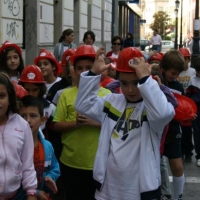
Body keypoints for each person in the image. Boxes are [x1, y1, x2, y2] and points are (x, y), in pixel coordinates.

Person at [75, 47, 175, 200]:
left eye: (136, 83)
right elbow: (83, 104)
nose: (130, 89)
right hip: (106, 190)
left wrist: (146, 80)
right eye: (124, 83)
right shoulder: (111, 101)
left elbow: (163, 114)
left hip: (139, 192)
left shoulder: (153, 108)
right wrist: (93, 74)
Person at [53, 45, 111, 200]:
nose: (84, 72)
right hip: (71, 162)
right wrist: (76, 123)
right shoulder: (65, 95)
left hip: (98, 163)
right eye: (80, 68)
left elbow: (114, 127)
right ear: (73, 71)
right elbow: (56, 125)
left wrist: (95, 122)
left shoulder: (108, 95)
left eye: (89, 67)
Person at [0, 72, 37, 200]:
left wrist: (31, 192)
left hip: (16, 195)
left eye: (2, 96)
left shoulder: (21, 125)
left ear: (10, 98)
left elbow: (27, 163)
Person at [18, 95, 60, 200]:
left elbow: (55, 168)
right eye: (22, 116)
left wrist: (50, 177)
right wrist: (35, 193)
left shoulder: (47, 146)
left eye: (33, 116)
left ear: (42, 120)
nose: (27, 120)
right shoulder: (14, 147)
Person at [160, 50, 185, 200]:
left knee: (177, 166)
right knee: (154, 167)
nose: (174, 77)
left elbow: (181, 108)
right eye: (172, 73)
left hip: (173, 129)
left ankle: (178, 197)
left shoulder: (178, 86)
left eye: (177, 74)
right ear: (164, 67)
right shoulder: (154, 81)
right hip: (156, 131)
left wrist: (188, 116)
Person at [177, 47, 196, 163]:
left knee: (188, 130)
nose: (184, 61)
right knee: (180, 130)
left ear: (189, 59)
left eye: (185, 58)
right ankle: (181, 150)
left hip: (189, 104)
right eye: (182, 58)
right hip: (179, 104)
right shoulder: (176, 71)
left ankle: (188, 151)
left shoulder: (193, 72)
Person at [186, 56, 200, 167]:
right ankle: (199, 156)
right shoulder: (192, 80)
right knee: (197, 133)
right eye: (197, 71)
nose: (198, 73)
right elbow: (189, 96)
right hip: (197, 111)